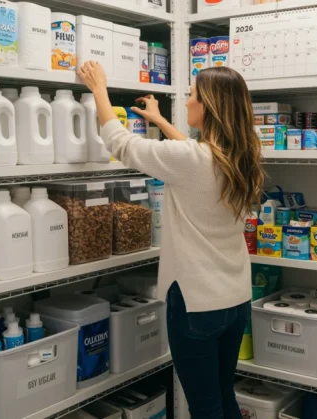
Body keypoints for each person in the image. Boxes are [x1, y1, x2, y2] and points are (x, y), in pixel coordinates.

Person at [78, 61, 265, 418]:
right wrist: (161, 122)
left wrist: (99, 89)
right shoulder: (244, 159)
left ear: (208, 106)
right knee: (224, 395)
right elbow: (200, 158)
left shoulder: (193, 160)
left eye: (193, 95)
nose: (188, 102)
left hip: (196, 303)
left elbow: (120, 143)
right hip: (235, 299)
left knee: (205, 407)